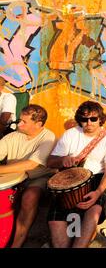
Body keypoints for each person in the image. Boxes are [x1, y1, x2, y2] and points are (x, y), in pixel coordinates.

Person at [47, 101, 106, 248]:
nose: (89, 123)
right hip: (70, 178)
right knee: (55, 220)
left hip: (97, 177)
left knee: (93, 211)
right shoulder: (70, 134)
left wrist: (98, 192)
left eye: (93, 119)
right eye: (84, 119)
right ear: (79, 120)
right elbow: (50, 162)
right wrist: (62, 160)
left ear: (100, 119)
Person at [0, 104, 56, 247]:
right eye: (20, 120)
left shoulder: (48, 137)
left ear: (38, 124)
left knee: (30, 197)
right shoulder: (13, 136)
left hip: (37, 177)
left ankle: (17, 243)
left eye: (24, 121)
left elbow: (31, 165)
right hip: (13, 177)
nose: (19, 124)